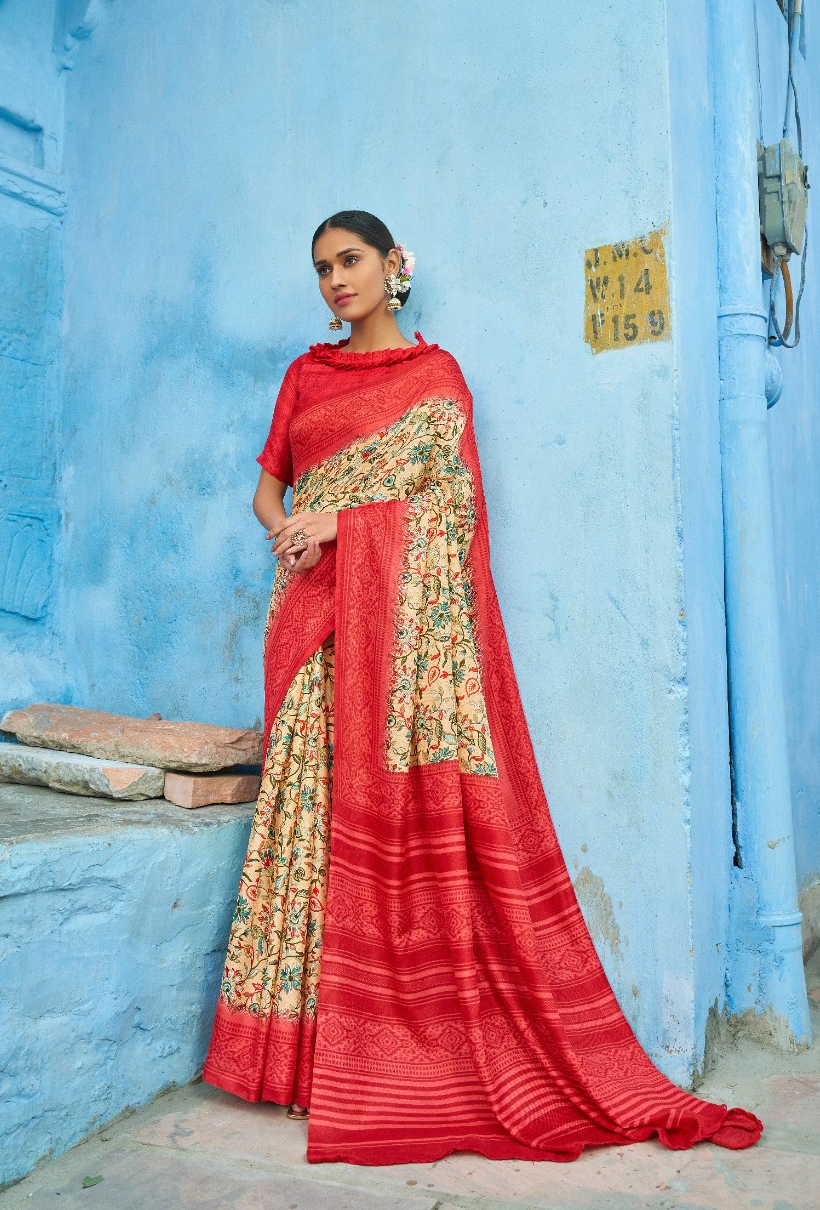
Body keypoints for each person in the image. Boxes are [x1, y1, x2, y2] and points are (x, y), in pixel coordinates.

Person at [202, 210, 762, 1164]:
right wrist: (289, 530)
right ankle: (300, 1063)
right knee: (306, 827)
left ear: (393, 265)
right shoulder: (305, 375)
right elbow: (269, 487)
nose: (335, 280)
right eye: (321, 268)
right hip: (308, 619)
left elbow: (452, 510)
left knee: (375, 817)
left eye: (350, 261)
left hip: (393, 630)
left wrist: (342, 527)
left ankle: (369, 1062)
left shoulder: (435, 379)